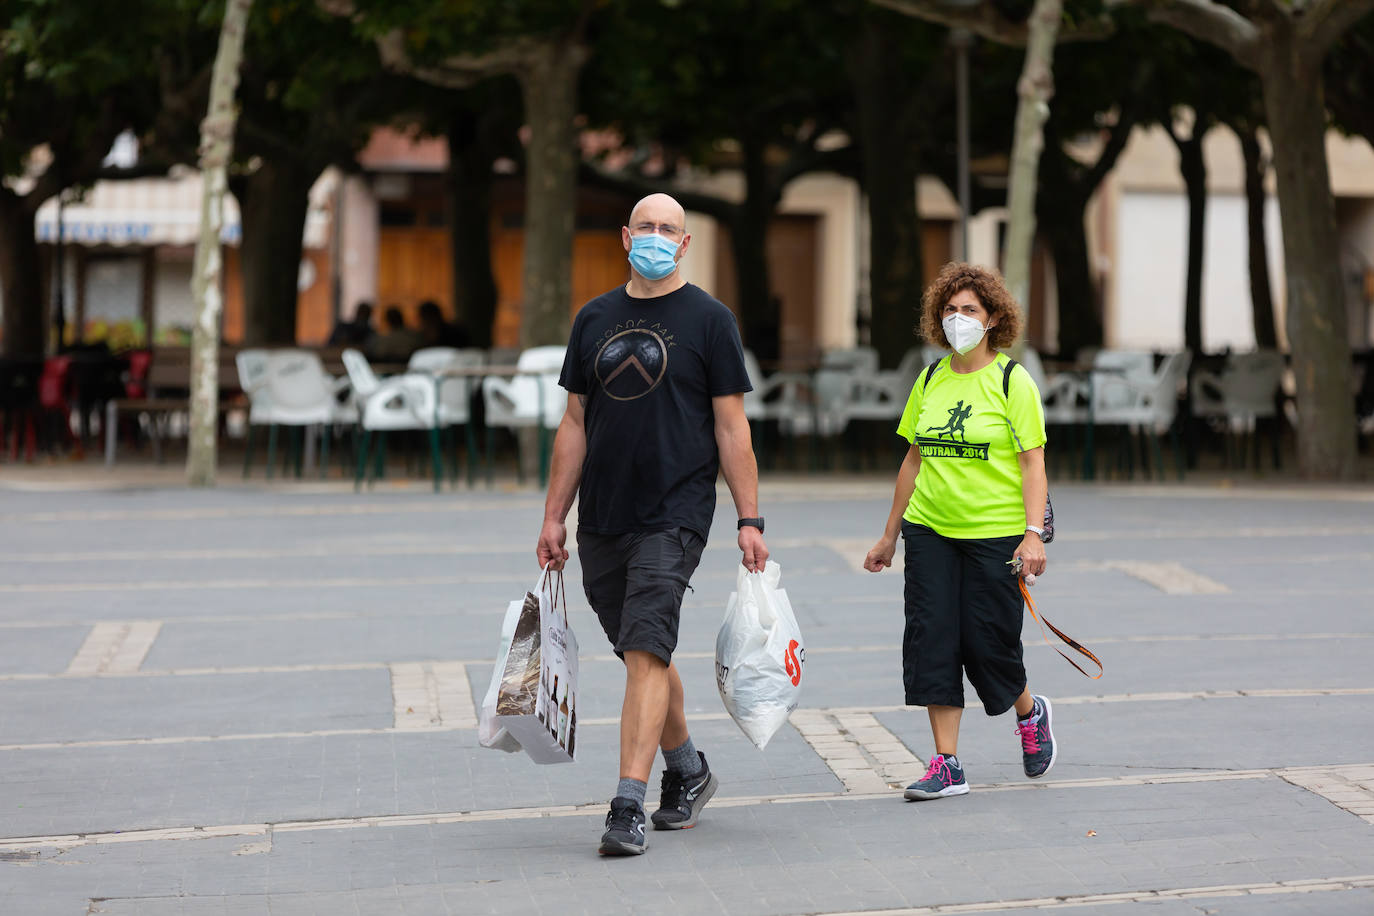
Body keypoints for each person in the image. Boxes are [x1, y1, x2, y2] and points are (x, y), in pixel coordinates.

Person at [537, 193, 768, 856]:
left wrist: (749, 518)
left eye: (670, 229)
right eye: (648, 227)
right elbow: (575, 424)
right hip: (603, 516)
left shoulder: (710, 320)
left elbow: (732, 427)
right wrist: (554, 515)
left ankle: (627, 805)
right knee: (642, 650)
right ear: (625, 235)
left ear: (686, 244)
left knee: (646, 648)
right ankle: (690, 770)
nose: (658, 237)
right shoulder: (594, 318)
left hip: (677, 511)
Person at [863, 261, 1054, 801]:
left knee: (989, 645)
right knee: (933, 641)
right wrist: (889, 536)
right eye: (949, 310)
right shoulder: (930, 379)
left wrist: (1032, 534)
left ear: (992, 319)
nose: (957, 319)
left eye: (969, 310)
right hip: (931, 532)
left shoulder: (1014, 381)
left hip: (995, 535)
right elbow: (913, 461)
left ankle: (1028, 711)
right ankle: (947, 763)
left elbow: (1032, 464)